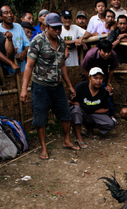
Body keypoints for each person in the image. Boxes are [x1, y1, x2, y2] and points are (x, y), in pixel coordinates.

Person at [20, 13, 80, 160]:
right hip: (40, 86)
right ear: (46, 27)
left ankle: (66, 140)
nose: (57, 31)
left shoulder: (61, 43)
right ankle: (44, 147)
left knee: (65, 114)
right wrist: (23, 89)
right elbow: (29, 66)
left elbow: (63, 66)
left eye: (59, 28)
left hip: (57, 85)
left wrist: (70, 86)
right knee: (40, 118)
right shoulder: (37, 41)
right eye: (54, 28)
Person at [69, 67, 116, 146]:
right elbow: (70, 101)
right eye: (95, 78)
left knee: (110, 124)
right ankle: (79, 137)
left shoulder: (103, 92)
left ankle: (89, 129)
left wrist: (89, 109)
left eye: (100, 78)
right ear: (89, 78)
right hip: (81, 112)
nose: (98, 81)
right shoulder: (80, 87)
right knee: (76, 109)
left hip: (93, 113)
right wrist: (82, 108)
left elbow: (105, 109)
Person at [81, 40, 119, 122]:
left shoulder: (113, 55)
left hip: (103, 77)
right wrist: (90, 82)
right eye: (104, 52)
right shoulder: (90, 55)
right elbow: (86, 69)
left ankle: (110, 115)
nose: (106, 54)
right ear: (99, 50)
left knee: (108, 93)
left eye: (108, 52)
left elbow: (112, 70)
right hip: (91, 77)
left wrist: (109, 84)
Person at [0, 5, 30, 72]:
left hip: (22, 68)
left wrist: (24, 52)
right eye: (6, 13)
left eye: (11, 12)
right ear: (1, 16)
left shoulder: (18, 26)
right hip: (6, 70)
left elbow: (28, 45)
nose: (10, 15)